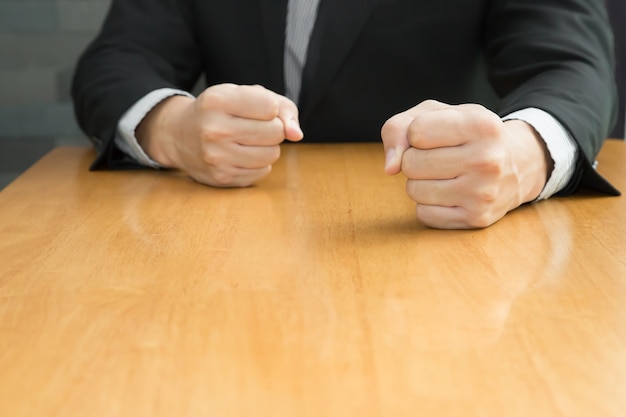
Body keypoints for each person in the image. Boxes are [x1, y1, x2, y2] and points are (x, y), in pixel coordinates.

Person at [72, 0, 620, 229]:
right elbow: (117, 60)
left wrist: (519, 155)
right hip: (231, 233)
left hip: (431, 237)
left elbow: (571, 65)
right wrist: (171, 129)